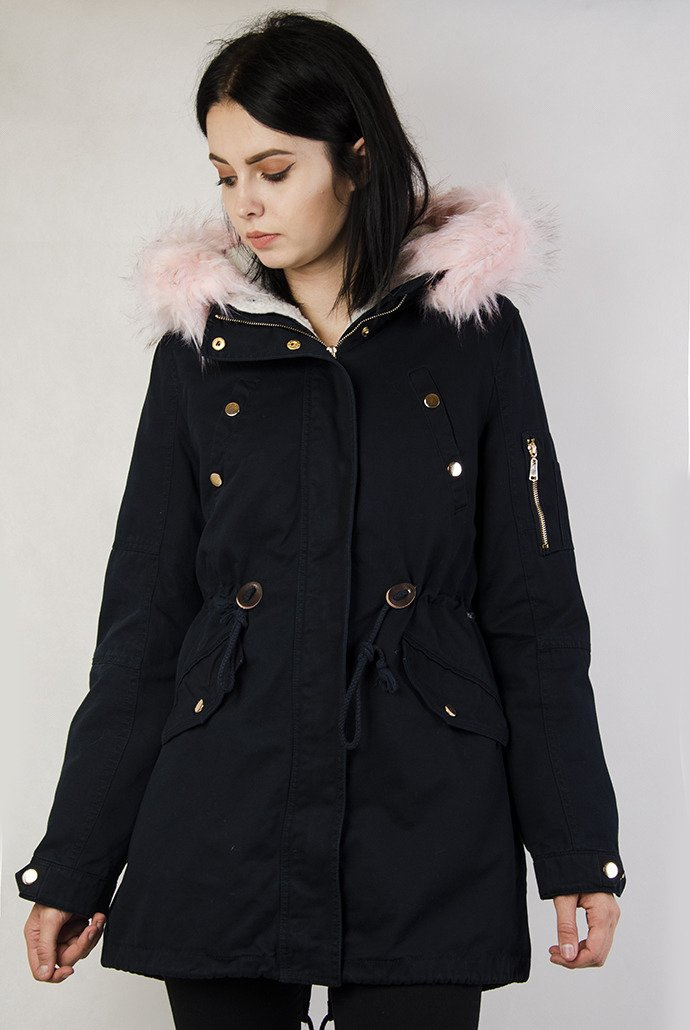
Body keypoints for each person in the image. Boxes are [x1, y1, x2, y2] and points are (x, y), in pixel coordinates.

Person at [15, 10, 625, 1029]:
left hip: (427, 810)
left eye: (273, 168)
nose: (245, 204)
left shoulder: (471, 336)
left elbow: (534, 611)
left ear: (357, 157)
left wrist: (577, 848)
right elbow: (145, 624)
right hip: (224, 807)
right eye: (224, 175)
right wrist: (75, 859)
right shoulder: (201, 353)